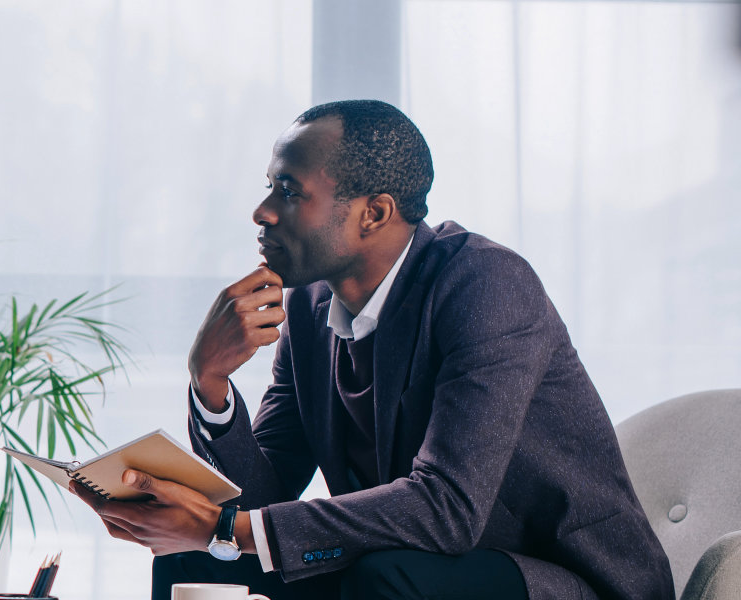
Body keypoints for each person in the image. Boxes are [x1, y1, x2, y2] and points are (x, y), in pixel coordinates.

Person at [72, 100, 672, 600]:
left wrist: (226, 525)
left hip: (562, 577)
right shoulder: (309, 310)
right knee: (192, 565)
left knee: (383, 577)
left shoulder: (487, 286)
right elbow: (267, 495)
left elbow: (447, 507)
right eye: (268, 188)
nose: (262, 212)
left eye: (288, 190)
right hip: (411, 561)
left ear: (374, 212)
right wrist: (210, 383)